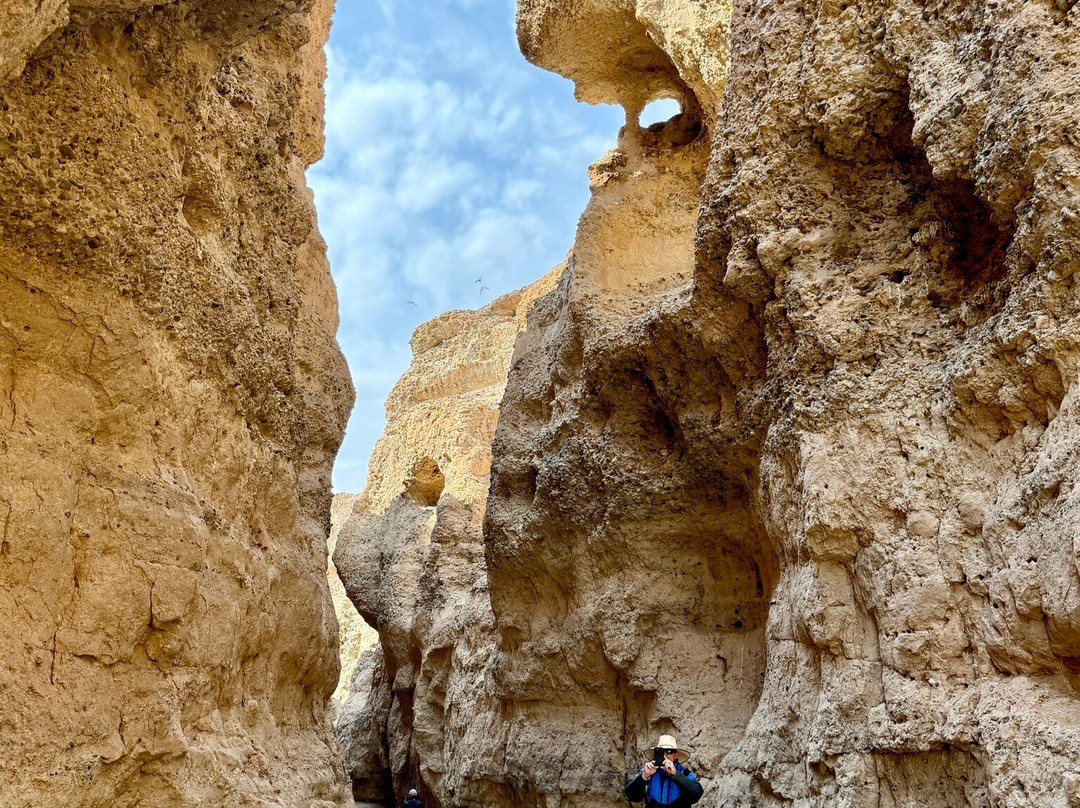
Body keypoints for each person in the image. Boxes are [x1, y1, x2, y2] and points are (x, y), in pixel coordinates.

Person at [624, 734, 703, 807]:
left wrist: (676, 775)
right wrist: (644, 777)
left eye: (669, 751)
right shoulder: (647, 772)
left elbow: (697, 794)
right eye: (661, 752)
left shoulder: (684, 773)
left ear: (676, 755)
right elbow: (633, 796)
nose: (665, 755)